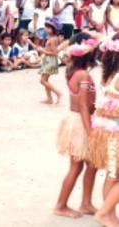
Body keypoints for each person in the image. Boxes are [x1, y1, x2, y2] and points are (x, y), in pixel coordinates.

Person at [54, 33, 98, 218]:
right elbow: (83, 105)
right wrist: (91, 132)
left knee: (92, 163)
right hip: (81, 122)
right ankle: (60, 206)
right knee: (76, 166)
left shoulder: (75, 72)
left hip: (77, 119)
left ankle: (86, 203)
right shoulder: (84, 76)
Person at [92, 35, 119, 226]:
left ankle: (109, 214)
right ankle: (104, 213)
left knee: (112, 174)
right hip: (114, 133)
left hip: (107, 131)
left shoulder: (109, 73)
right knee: (113, 174)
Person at [36, 17, 63, 104]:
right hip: (47, 60)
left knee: (43, 80)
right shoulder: (51, 38)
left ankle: (58, 93)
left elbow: (55, 53)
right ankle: (49, 98)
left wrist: (43, 50)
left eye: (49, 28)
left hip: (50, 60)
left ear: (53, 29)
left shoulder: (53, 39)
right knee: (45, 80)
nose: (46, 29)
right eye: (46, 27)